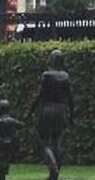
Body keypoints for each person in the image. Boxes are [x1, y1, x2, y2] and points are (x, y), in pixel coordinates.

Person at [29, 49, 73, 180]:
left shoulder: (46, 75)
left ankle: (53, 168)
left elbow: (40, 95)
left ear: (52, 60)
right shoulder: (66, 76)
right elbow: (70, 98)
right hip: (61, 110)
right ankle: (55, 174)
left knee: (44, 142)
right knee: (57, 141)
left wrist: (30, 111)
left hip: (47, 110)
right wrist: (72, 115)